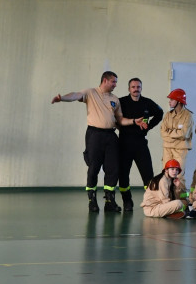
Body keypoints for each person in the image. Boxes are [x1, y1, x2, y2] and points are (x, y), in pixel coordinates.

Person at [52, 71, 138, 213]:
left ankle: (109, 201)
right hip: (94, 135)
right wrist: (62, 98)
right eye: (113, 82)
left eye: (116, 82)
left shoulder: (115, 99)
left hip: (111, 136)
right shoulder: (91, 93)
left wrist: (134, 121)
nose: (116, 85)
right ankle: (92, 200)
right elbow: (75, 95)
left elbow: (120, 120)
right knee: (94, 167)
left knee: (112, 169)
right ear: (105, 80)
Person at [116, 78, 163, 211]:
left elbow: (160, 113)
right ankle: (127, 201)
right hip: (124, 144)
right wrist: (119, 127)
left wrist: (148, 127)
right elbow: (114, 117)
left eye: (138, 87)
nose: (136, 89)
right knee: (123, 174)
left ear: (141, 88)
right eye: (133, 87)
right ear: (129, 89)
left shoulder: (147, 103)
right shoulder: (122, 102)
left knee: (148, 174)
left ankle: (151, 201)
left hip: (140, 144)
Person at [159, 89, 194, 172]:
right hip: (167, 148)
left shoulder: (188, 115)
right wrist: (176, 133)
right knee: (166, 173)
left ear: (179, 101)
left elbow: (184, 133)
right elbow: (163, 132)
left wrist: (169, 132)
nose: (169, 101)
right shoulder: (168, 115)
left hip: (180, 150)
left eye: (171, 99)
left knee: (178, 175)